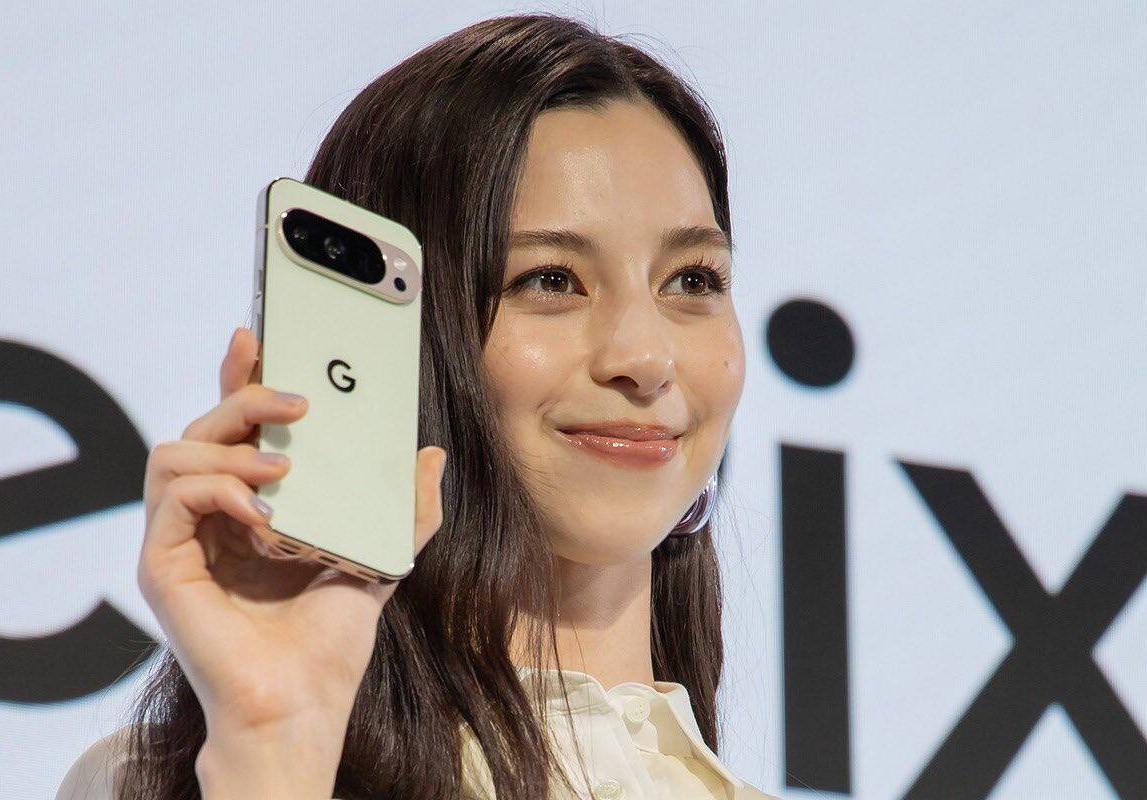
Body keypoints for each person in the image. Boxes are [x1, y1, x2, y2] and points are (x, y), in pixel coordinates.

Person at [56, 12, 777, 800]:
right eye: (549, 280)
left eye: (693, 280)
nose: (644, 358)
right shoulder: (177, 777)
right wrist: (275, 737)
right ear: (401, 341)